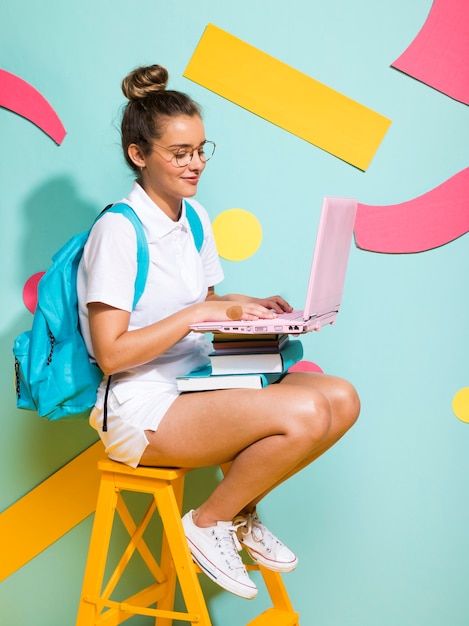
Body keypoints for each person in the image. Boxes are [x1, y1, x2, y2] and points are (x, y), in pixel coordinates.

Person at [77, 64, 360, 600]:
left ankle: (238, 511)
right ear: (139, 155)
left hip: (198, 384)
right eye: (179, 153)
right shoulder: (117, 230)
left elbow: (203, 306)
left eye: (202, 150)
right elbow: (112, 355)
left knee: (340, 399)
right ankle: (210, 521)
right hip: (141, 408)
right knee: (303, 412)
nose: (195, 164)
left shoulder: (194, 218)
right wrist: (192, 317)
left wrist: (250, 307)